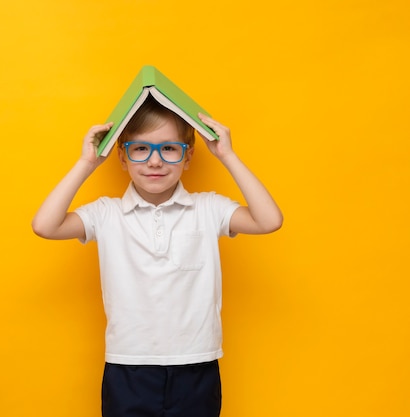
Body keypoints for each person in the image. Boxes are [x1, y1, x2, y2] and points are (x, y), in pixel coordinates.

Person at [32, 95, 283, 417]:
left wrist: (227, 155)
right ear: (122, 158)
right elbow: (44, 225)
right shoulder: (106, 213)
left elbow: (269, 221)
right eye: (140, 149)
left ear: (187, 156)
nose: (154, 161)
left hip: (196, 361)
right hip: (129, 365)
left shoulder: (208, 208)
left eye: (168, 148)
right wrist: (87, 163)